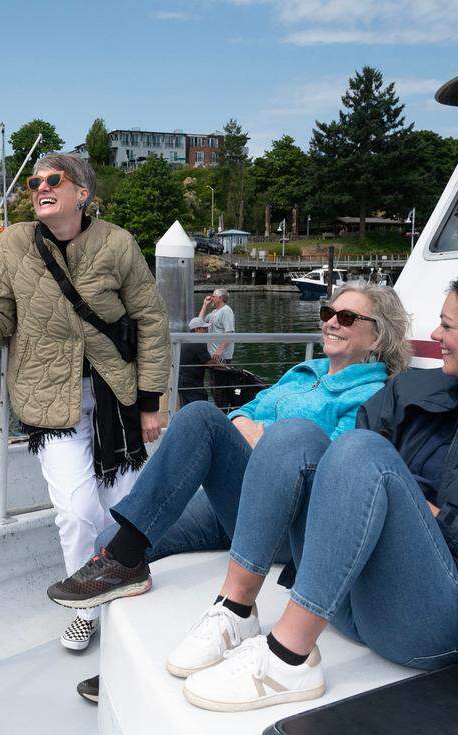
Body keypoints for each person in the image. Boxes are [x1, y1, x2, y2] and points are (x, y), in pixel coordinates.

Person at [58, 269, 458, 713]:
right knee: (296, 436)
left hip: (443, 622)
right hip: (353, 594)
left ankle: (288, 659)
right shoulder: (425, 394)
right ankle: (236, 609)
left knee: (359, 452)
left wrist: (439, 519)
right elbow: (328, 470)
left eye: (449, 326)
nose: (436, 337)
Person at [51, 281, 411, 701]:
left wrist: (262, 436)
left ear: (378, 335)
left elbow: (335, 466)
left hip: (285, 519)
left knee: (202, 416)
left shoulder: (374, 393)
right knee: (111, 542)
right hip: (238, 499)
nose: (331, 322)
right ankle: (120, 656)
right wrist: (248, 427)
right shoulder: (304, 372)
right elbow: (246, 410)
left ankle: (139, 581)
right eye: (328, 313)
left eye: (347, 318)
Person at [0, 153, 170, 652]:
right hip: (50, 399)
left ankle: (126, 605)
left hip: (117, 399)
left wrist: (152, 402)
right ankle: (84, 605)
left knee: (123, 509)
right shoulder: (15, 244)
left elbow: (151, 322)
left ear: (82, 193)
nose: (40, 188)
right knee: (77, 509)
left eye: (53, 181)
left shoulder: (117, 242)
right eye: (34, 183)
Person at [178, 317, 213, 407]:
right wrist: (222, 365)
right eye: (204, 328)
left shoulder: (185, 339)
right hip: (193, 384)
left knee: (186, 407)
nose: (207, 330)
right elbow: (208, 362)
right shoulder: (199, 341)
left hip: (181, 381)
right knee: (201, 406)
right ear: (197, 329)